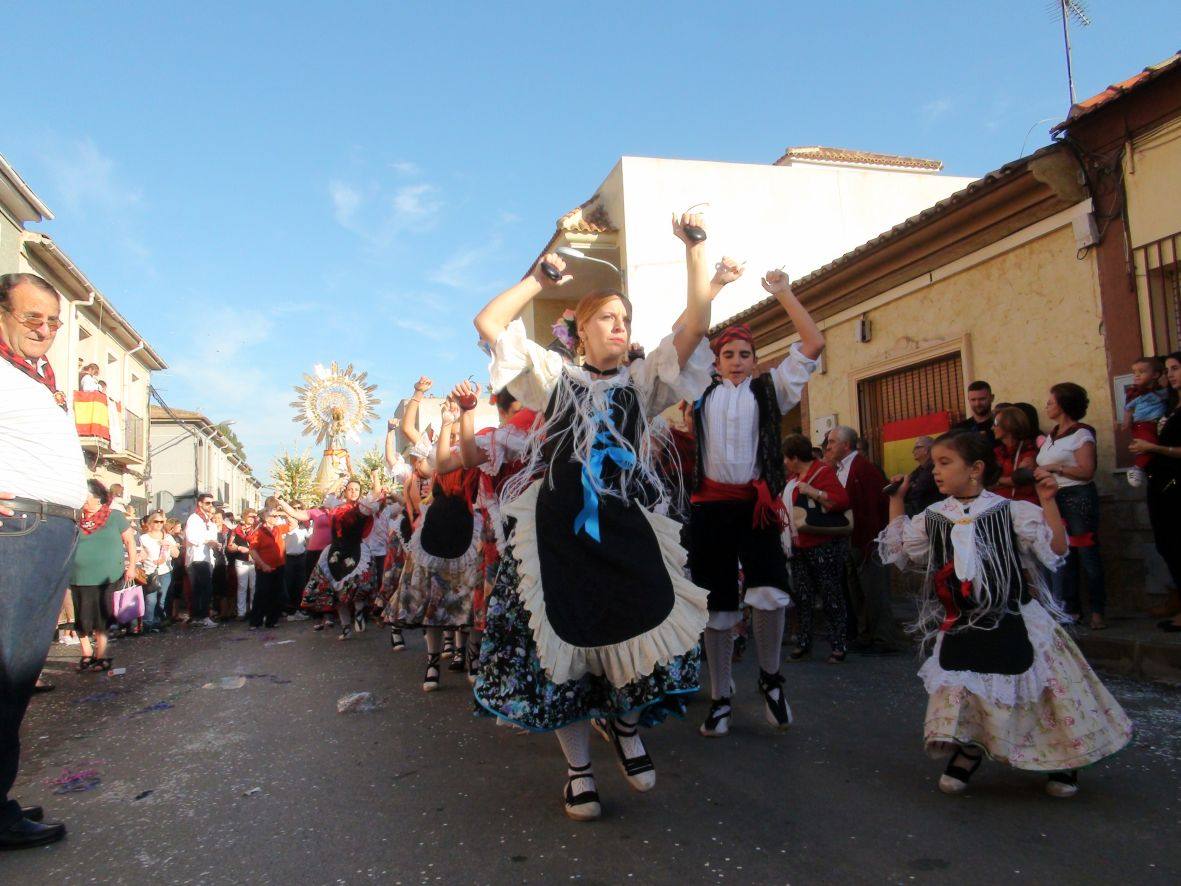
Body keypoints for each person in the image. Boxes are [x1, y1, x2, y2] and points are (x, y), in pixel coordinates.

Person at [471, 211, 714, 822]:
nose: (620, 326)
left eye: (625, 319)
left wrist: (695, 250)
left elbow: (696, 323)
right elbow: (490, 323)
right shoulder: (553, 377)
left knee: (640, 626)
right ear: (579, 331)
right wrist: (540, 276)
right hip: (558, 532)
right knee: (564, 649)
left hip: (627, 528)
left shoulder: (644, 380)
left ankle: (627, 728)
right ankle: (579, 770)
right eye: (608, 317)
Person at [880, 431, 1131, 798]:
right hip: (963, 622)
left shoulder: (1010, 511)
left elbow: (1056, 550)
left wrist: (1048, 502)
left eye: (945, 463)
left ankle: (1062, 758)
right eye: (934, 464)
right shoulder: (933, 516)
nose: (935, 471)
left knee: (1041, 690)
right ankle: (970, 749)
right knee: (966, 690)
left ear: (976, 469)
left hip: (1015, 617)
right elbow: (899, 548)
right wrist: (897, 502)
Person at [687, 262, 824, 737]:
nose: (738, 359)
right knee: (718, 606)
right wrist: (717, 285)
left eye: (746, 353)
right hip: (710, 508)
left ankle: (771, 679)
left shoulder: (771, 390)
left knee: (769, 593)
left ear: (755, 358)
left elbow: (812, 343)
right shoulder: (699, 391)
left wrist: (784, 292)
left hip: (757, 504)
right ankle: (721, 695)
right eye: (729, 353)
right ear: (716, 359)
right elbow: (686, 331)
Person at [0, 272, 87, 848]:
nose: (45, 330)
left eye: (53, 320)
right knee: (4, 670)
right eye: (33, 317)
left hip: (48, 529)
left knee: (18, 674)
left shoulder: (30, 378)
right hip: (19, 529)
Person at [394, 393, 484, 689]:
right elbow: (408, 430)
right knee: (432, 596)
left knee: (469, 597)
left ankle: (472, 657)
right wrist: (421, 399)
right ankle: (432, 663)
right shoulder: (436, 452)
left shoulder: (478, 448)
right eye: (453, 424)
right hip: (437, 525)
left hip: (468, 525)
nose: (457, 427)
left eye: (460, 425)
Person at [826, 425, 907, 653]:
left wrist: (869, 542)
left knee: (875, 592)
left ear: (846, 445)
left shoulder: (863, 469)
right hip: (852, 540)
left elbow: (872, 507)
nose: (828, 447)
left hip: (867, 541)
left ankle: (883, 638)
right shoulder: (842, 469)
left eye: (832, 442)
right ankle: (866, 634)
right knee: (858, 592)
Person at [1035, 383, 1106, 629]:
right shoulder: (1051, 435)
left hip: (1077, 497)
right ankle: (1071, 608)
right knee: (1063, 554)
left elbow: (1086, 471)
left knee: (1087, 554)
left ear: (1063, 404)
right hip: (1054, 499)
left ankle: (1097, 611)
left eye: (1051, 402)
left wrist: (1056, 468)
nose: (1047, 405)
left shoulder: (1082, 433)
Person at [279, 480, 383, 639]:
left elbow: (375, 496)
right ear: (345, 491)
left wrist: (375, 477)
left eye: (356, 489)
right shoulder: (335, 508)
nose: (353, 492)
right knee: (336, 590)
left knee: (357, 586)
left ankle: (360, 612)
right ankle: (346, 627)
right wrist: (281, 501)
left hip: (356, 550)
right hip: (335, 551)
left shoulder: (363, 507)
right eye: (350, 489)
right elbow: (297, 514)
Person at [781, 434, 851, 663]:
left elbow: (841, 501)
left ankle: (838, 645)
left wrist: (812, 491)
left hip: (822, 545)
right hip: (799, 547)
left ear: (794, 457)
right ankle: (804, 642)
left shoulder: (822, 472)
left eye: (786, 458)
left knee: (831, 595)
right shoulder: (794, 477)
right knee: (803, 596)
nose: (784, 462)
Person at [1131, 352, 1181, 632]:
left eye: (1176, 368)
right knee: (1167, 543)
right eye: (1168, 369)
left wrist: (1155, 449)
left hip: (1177, 482)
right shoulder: (1167, 405)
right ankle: (1175, 598)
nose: (1171, 374)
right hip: (1162, 482)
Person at [70, 479, 137, 671]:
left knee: (103, 616)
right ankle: (86, 654)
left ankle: (101, 656)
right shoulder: (77, 518)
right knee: (82, 617)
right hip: (78, 576)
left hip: (107, 576)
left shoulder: (114, 516)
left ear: (96, 497)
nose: (82, 500)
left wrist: (131, 566)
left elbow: (130, 542)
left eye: (85, 495)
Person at [1123, 356, 1168, 488]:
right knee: (1148, 445)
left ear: (1155, 375)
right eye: (1134, 372)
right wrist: (1126, 422)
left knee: (1156, 444)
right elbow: (1128, 408)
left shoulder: (1161, 391)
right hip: (1142, 424)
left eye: (1141, 372)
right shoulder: (1136, 393)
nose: (1136, 375)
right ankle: (1137, 468)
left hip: (1156, 422)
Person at [247, 508, 291, 630]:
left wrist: (283, 512)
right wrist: (263, 565)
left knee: (277, 593)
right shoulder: (259, 532)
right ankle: (255, 621)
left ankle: (272, 620)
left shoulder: (278, 529)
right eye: (274, 516)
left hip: (279, 565)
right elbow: (252, 550)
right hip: (264, 567)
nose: (277, 518)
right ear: (266, 518)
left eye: (277, 516)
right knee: (262, 593)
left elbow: (294, 523)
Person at [184, 493, 222, 627]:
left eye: (212, 503)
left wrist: (215, 543)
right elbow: (191, 537)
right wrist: (207, 541)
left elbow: (213, 538)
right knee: (201, 588)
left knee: (204, 589)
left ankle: (199, 616)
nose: (210, 505)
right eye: (207, 503)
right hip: (197, 558)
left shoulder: (209, 522)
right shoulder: (194, 519)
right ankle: (201, 616)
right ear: (200, 504)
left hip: (207, 558)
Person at [139, 509, 179, 632]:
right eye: (156, 522)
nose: (159, 524)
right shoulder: (144, 538)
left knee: (161, 599)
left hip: (165, 571)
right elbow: (141, 554)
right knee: (151, 599)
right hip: (149, 571)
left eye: (161, 522)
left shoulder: (168, 537)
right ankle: (147, 623)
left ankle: (157, 622)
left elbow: (176, 554)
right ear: (150, 523)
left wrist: (170, 546)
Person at [991, 406, 1039, 504]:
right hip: (998, 505)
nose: (992, 428)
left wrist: (997, 481)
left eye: (996, 424)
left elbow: (1019, 479)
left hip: (1023, 505)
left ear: (1009, 425)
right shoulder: (997, 451)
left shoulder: (1028, 450)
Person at [282, 508, 312, 619]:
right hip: (288, 558)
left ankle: (299, 609)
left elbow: (308, 543)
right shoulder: (285, 529)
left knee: (300, 584)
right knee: (289, 584)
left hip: (301, 558)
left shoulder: (303, 529)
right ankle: (289, 610)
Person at [227, 509, 257, 618]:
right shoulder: (236, 530)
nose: (252, 519)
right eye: (250, 516)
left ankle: (254, 611)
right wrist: (239, 548)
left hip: (254, 561)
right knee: (242, 586)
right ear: (244, 517)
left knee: (254, 586)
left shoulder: (257, 529)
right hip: (241, 561)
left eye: (254, 516)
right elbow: (230, 547)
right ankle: (241, 612)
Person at [903, 436, 942, 517]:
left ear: (927, 450)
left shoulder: (932, 468)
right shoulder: (921, 468)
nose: (913, 451)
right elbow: (909, 480)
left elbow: (914, 493)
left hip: (929, 513)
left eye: (917, 447)